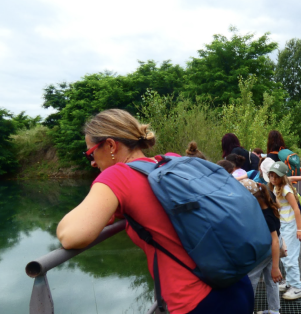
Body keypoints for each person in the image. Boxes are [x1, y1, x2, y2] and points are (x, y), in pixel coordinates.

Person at [56, 109, 254, 314]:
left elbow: (71, 235)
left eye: (90, 152)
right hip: (237, 284)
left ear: (110, 145)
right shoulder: (169, 161)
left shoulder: (118, 176)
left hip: (198, 302)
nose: (92, 162)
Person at [266, 161, 301, 301]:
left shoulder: (286, 190)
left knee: (289, 257)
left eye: (276, 177)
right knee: (286, 255)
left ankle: (297, 287)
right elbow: (292, 179)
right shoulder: (278, 185)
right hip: (283, 225)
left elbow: (296, 209)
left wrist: (299, 229)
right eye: (271, 176)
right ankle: (289, 283)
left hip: (291, 225)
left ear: (282, 177)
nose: (273, 179)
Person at [240, 179, 282, 314]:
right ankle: (274, 310)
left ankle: (248, 309)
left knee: (251, 278)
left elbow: (274, 241)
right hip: (273, 246)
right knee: (271, 280)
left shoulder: (265, 215)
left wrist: (276, 267)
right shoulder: (268, 200)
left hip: (268, 248)